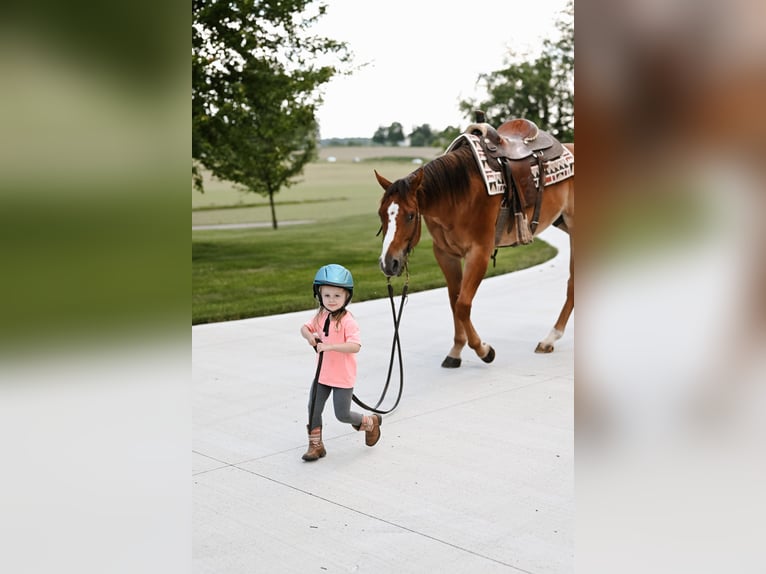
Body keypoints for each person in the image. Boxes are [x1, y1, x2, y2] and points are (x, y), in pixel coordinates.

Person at [299, 263, 382, 461]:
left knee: (342, 415)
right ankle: (315, 446)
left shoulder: (348, 321)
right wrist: (309, 337)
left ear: (347, 297)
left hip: (342, 377)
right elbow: (305, 327)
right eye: (327, 295)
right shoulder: (321, 315)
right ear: (319, 294)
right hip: (322, 374)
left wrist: (329, 347)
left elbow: (355, 346)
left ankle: (369, 422)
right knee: (313, 409)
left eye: (337, 296)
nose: (332, 300)